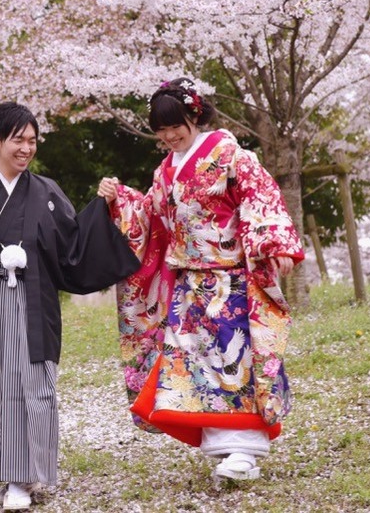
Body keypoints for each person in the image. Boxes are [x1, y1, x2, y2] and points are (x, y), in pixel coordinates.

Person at [0, 102, 139, 511]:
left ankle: (24, 477)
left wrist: (103, 207)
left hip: (33, 307)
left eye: (32, 141)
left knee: (34, 387)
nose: (26, 148)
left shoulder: (47, 193)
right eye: (17, 140)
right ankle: (6, 472)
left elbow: (75, 246)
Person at [97, 78, 304, 483]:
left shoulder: (230, 155)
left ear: (195, 114)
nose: (169, 136)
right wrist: (118, 198)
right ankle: (225, 447)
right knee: (196, 364)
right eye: (161, 130)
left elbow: (259, 196)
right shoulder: (165, 171)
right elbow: (151, 216)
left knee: (233, 357)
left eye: (176, 126)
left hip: (230, 278)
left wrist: (273, 242)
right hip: (188, 284)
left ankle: (246, 449)